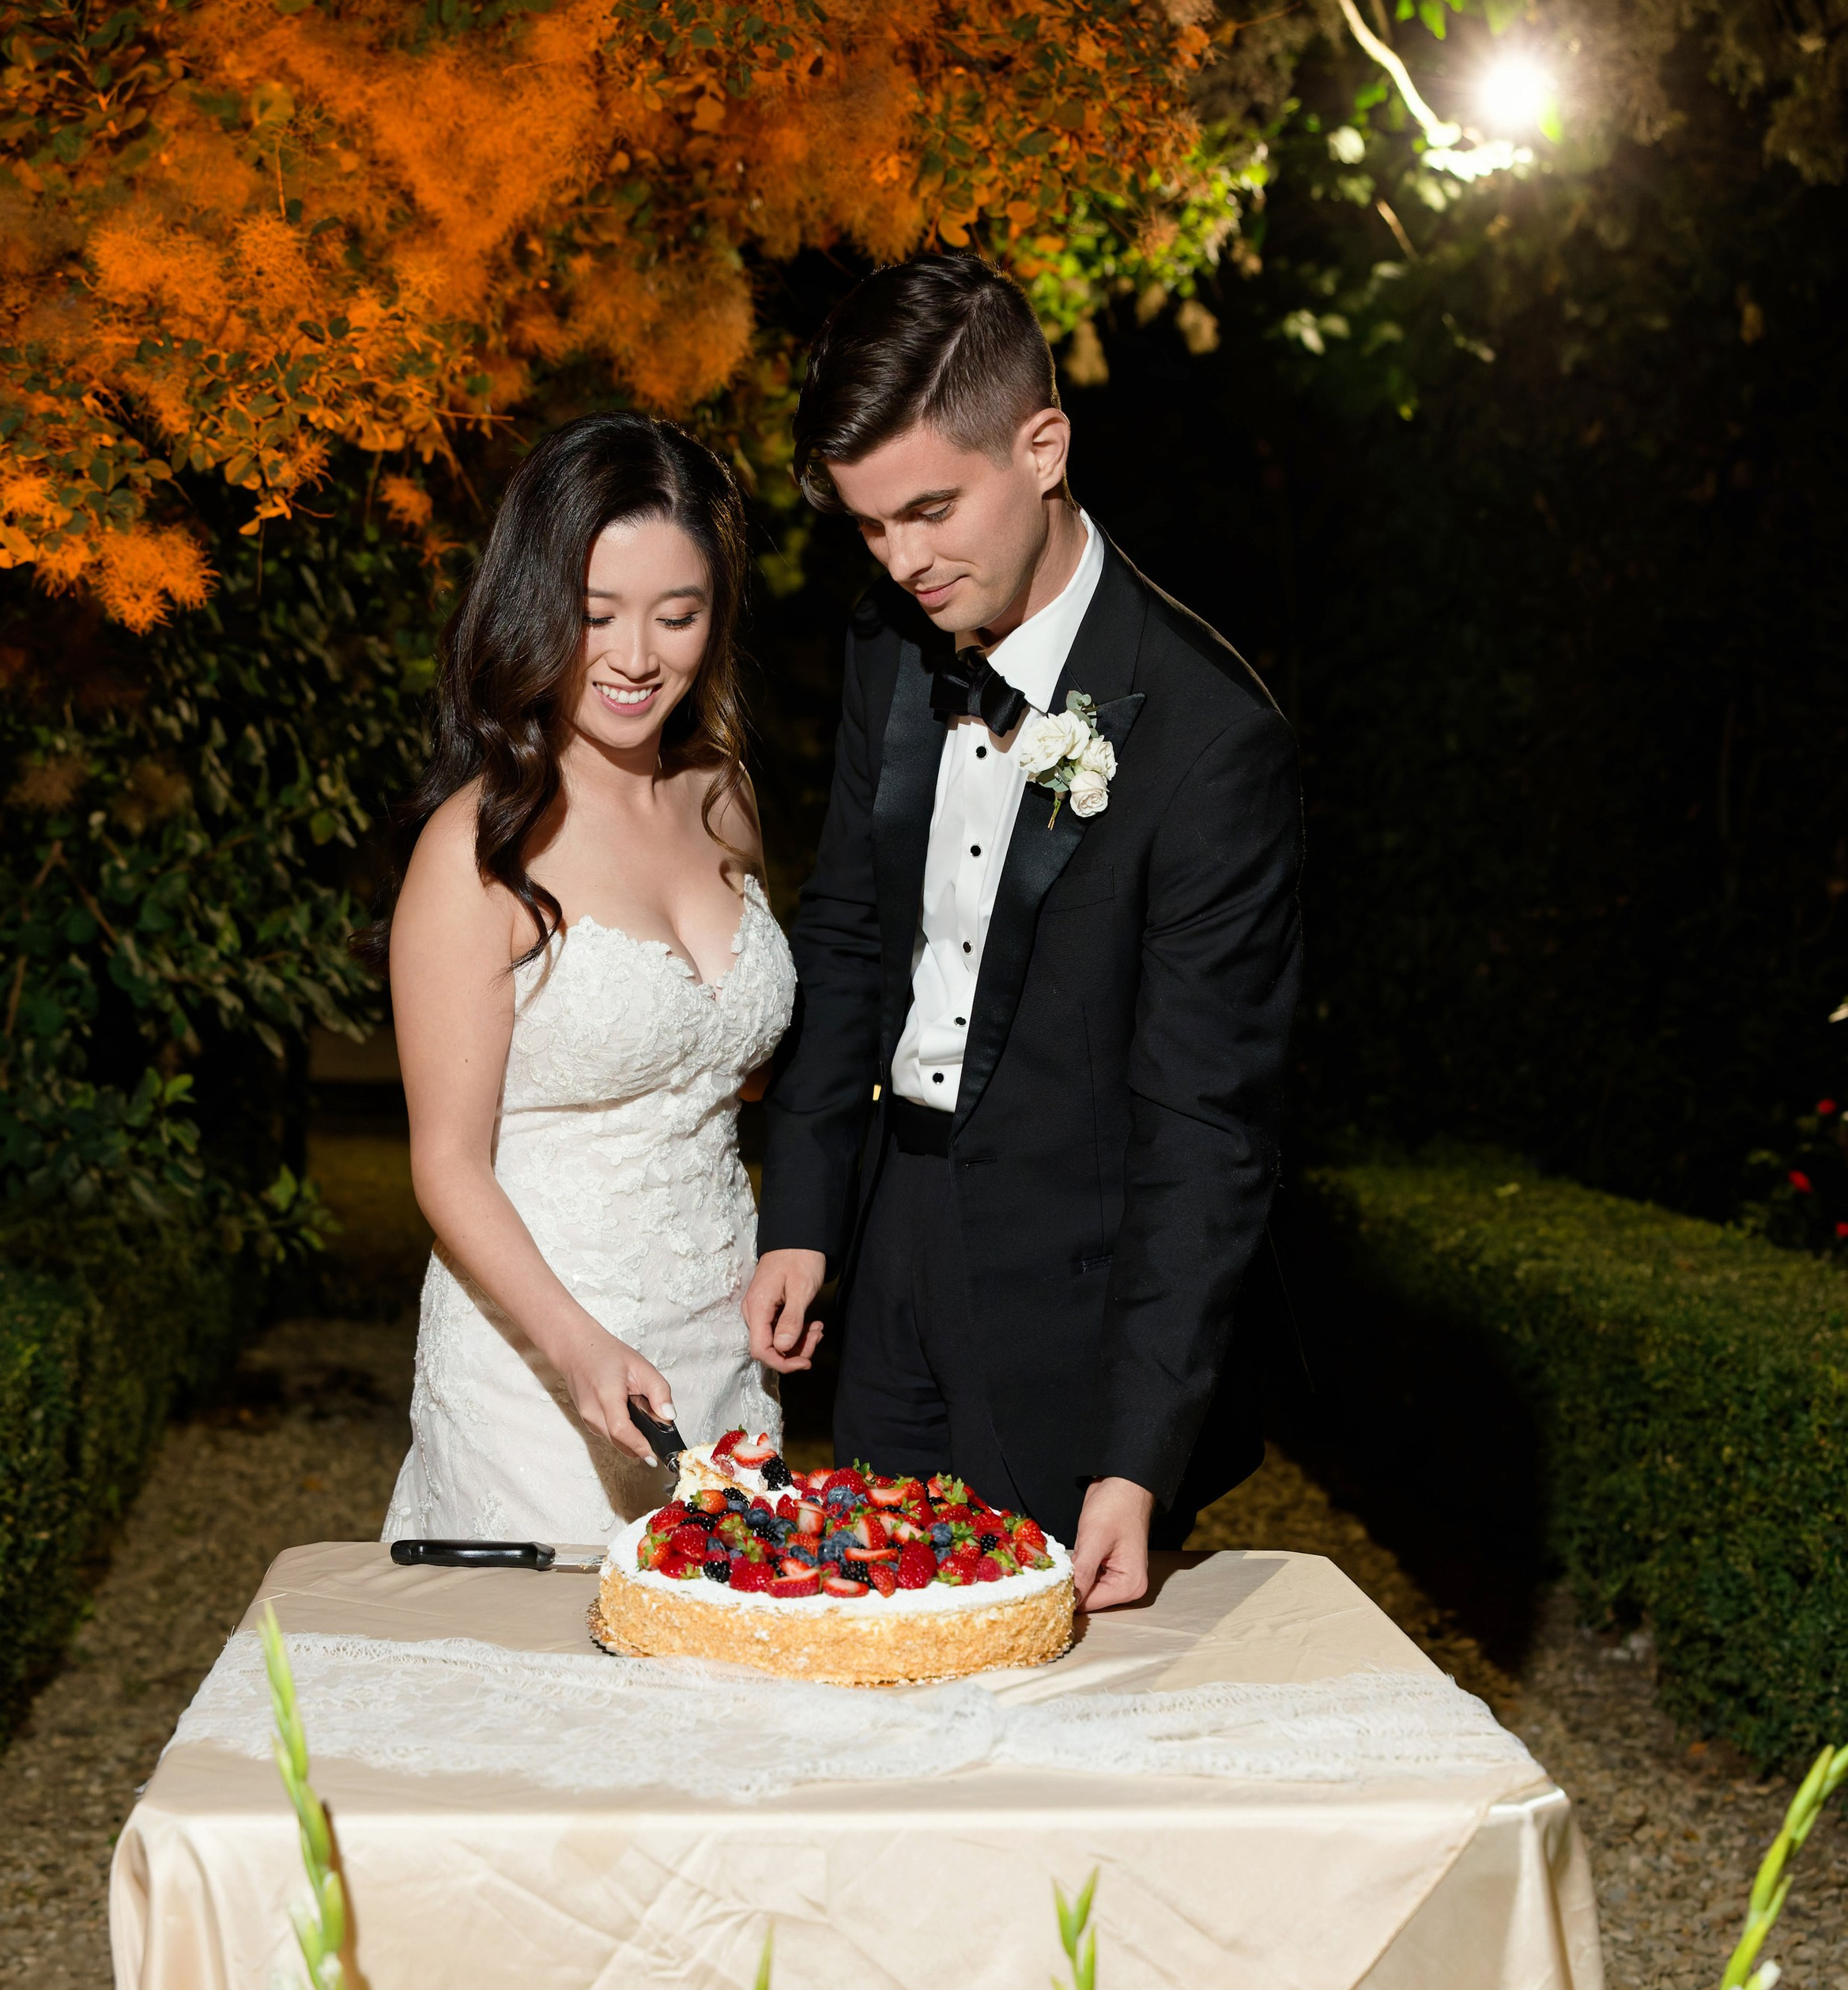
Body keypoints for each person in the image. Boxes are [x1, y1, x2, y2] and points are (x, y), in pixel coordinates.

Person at [746, 254, 1302, 1611]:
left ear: (1044, 446)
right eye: (871, 526)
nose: (902, 561)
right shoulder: (893, 639)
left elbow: (1208, 1126)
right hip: (893, 1241)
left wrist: (1137, 1456)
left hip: (1072, 1301)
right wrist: (806, 1211)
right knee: (867, 1642)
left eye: (930, 511)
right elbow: (852, 929)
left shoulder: (1210, 737)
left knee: (1041, 1733)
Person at [380, 413, 793, 1547]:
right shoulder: (479, 848)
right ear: (531, 608)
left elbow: (731, 1068)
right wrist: (577, 1351)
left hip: (722, 1342)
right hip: (541, 1361)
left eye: (679, 615)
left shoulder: (724, 797)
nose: (636, 656)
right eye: (595, 614)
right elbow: (446, 1164)